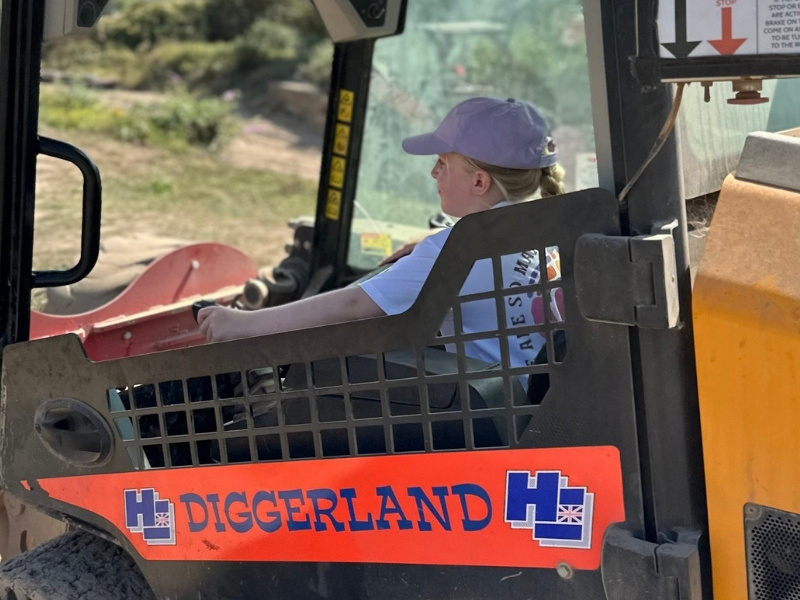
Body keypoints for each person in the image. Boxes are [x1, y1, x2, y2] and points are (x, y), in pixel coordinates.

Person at [199, 97, 565, 368]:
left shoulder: (455, 253)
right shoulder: (547, 224)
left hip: (496, 420)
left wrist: (243, 324)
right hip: (540, 402)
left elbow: (353, 306)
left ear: (480, 181)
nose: (433, 173)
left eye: (442, 164)